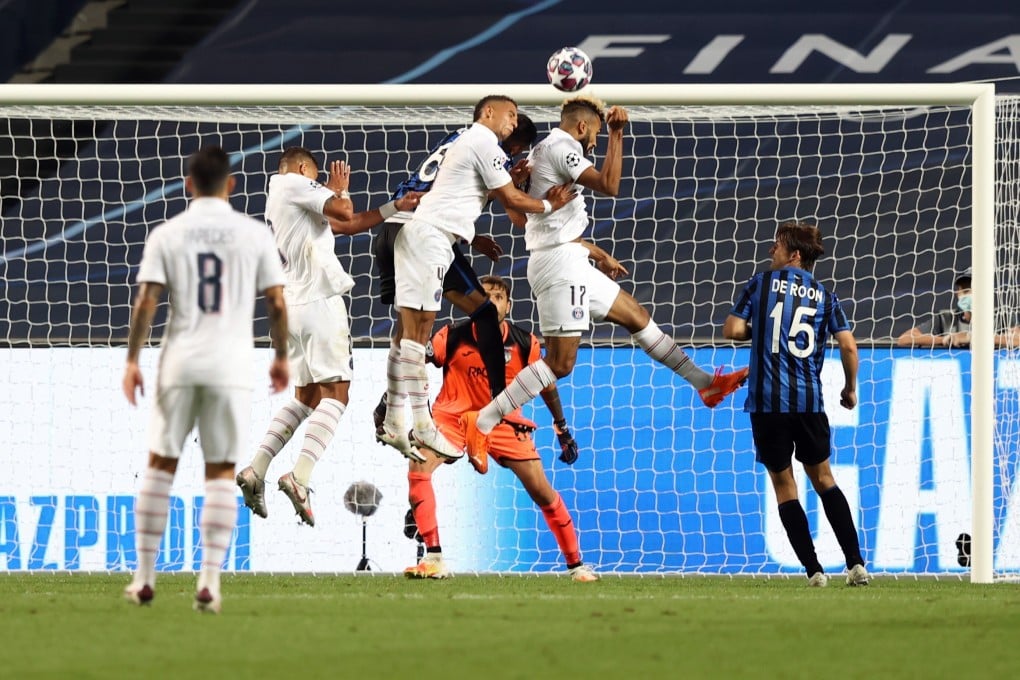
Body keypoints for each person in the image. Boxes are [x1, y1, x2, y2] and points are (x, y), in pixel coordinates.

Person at [463, 95, 749, 456]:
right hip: (560, 266)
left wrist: (597, 253)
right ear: (582, 126)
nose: (595, 142)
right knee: (560, 364)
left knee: (637, 317)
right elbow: (611, 185)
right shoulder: (563, 147)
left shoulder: (543, 152)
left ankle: (704, 383)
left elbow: (526, 220)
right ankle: (484, 421)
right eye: (595, 133)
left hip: (571, 258)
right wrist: (617, 134)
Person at [122, 145, 289, 613]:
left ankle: (144, 578)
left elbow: (147, 303)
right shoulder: (253, 234)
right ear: (231, 186)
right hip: (230, 365)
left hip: (180, 361)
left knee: (159, 466)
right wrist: (280, 357)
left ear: (188, 184)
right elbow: (277, 303)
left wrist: (133, 359)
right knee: (219, 471)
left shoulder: (168, 233)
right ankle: (210, 582)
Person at [235, 147, 420, 527]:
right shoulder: (295, 184)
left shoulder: (280, 195)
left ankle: (256, 469)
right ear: (303, 170)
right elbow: (344, 212)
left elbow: (346, 226)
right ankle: (299, 477)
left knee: (305, 398)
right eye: (315, 178)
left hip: (291, 305)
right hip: (317, 302)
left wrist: (393, 207)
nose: (318, 184)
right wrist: (338, 190)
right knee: (338, 393)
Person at [385, 95, 576, 462]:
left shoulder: (465, 139)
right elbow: (514, 206)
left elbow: (464, 192)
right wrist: (548, 203)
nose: (512, 127)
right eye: (511, 118)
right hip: (425, 229)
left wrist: (473, 234)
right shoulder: (487, 143)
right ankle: (412, 420)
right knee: (417, 331)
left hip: (415, 223)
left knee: (438, 323)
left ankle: (397, 412)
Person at [401, 276, 596, 581]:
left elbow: (546, 384)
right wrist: (392, 397)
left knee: (542, 492)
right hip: (454, 419)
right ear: (474, 303)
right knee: (418, 466)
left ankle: (576, 565)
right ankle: (434, 557)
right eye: (486, 296)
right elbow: (416, 362)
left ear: (509, 305)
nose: (492, 301)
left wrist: (562, 428)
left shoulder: (524, 342)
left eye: (498, 296)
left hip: (504, 424)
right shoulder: (452, 335)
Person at [722, 220, 869, 587]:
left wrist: (764, 331)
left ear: (795, 254)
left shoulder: (760, 283)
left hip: (767, 403)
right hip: (808, 402)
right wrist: (850, 389)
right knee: (823, 478)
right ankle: (855, 564)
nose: (771, 251)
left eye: (777, 246)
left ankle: (814, 571)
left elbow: (732, 330)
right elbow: (849, 346)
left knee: (784, 485)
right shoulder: (826, 295)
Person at [896, 272, 1020, 348]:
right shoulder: (945, 318)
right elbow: (904, 339)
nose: (970, 295)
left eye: (975, 290)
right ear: (958, 294)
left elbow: (1018, 339)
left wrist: (973, 337)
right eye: (965, 291)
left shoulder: (1003, 318)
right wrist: (945, 340)